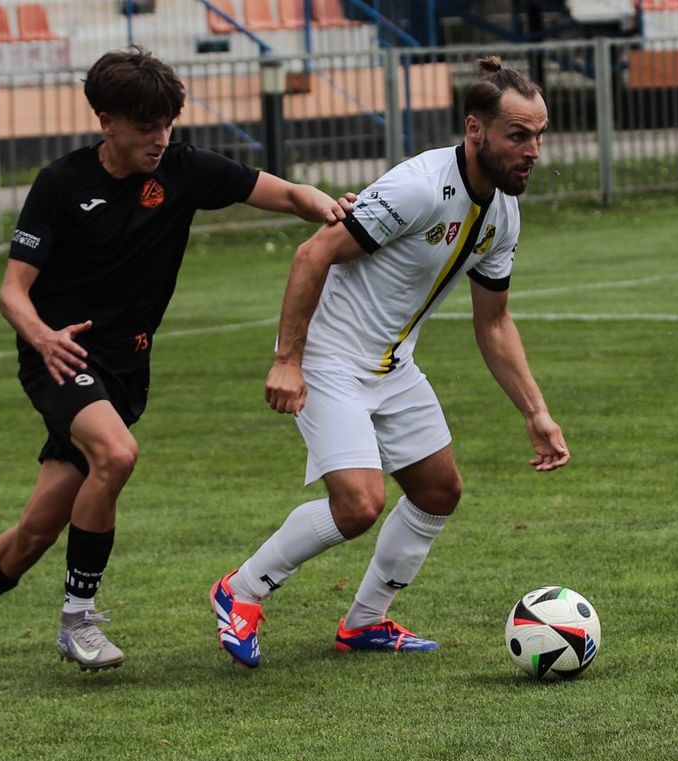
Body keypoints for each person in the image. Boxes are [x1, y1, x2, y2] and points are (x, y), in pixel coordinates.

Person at [0, 47, 351, 671]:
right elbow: (12, 292)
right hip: (60, 358)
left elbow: (289, 193)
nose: (161, 139)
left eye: (168, 125)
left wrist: (331, 208)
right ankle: (78, 620)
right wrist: (43, 337)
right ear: (106, 121)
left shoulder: (185, 170)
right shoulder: (62, 184)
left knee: (34, 533)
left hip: (126, 372)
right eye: (146, 127)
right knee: (117, 454)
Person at [209, 56, 570, 669]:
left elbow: (494, 322)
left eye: (538, 136)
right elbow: (313, 255)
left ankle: (365, 622)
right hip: (328, 359)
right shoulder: (419, 187)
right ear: (475, 129)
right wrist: (288, 360)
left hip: (392, 364)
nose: (532, 151)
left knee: (438, 491)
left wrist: (535, 411)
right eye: (518, 136)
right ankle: (239, 591)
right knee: (358, 505)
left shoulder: (503, 215)